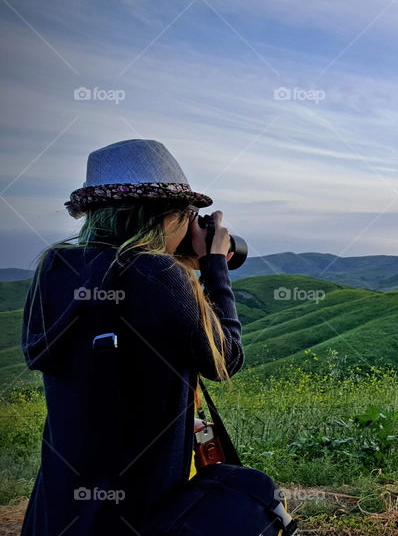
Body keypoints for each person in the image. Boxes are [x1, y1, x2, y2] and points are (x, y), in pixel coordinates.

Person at [19, 139, 244, 535]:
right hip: (140, 498)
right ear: (169, 214)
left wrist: (174, 260)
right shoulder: (158, 276)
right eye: (189, 214)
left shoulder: (53, 266)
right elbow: (226, 359)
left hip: (62, 494)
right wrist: (213, 268)